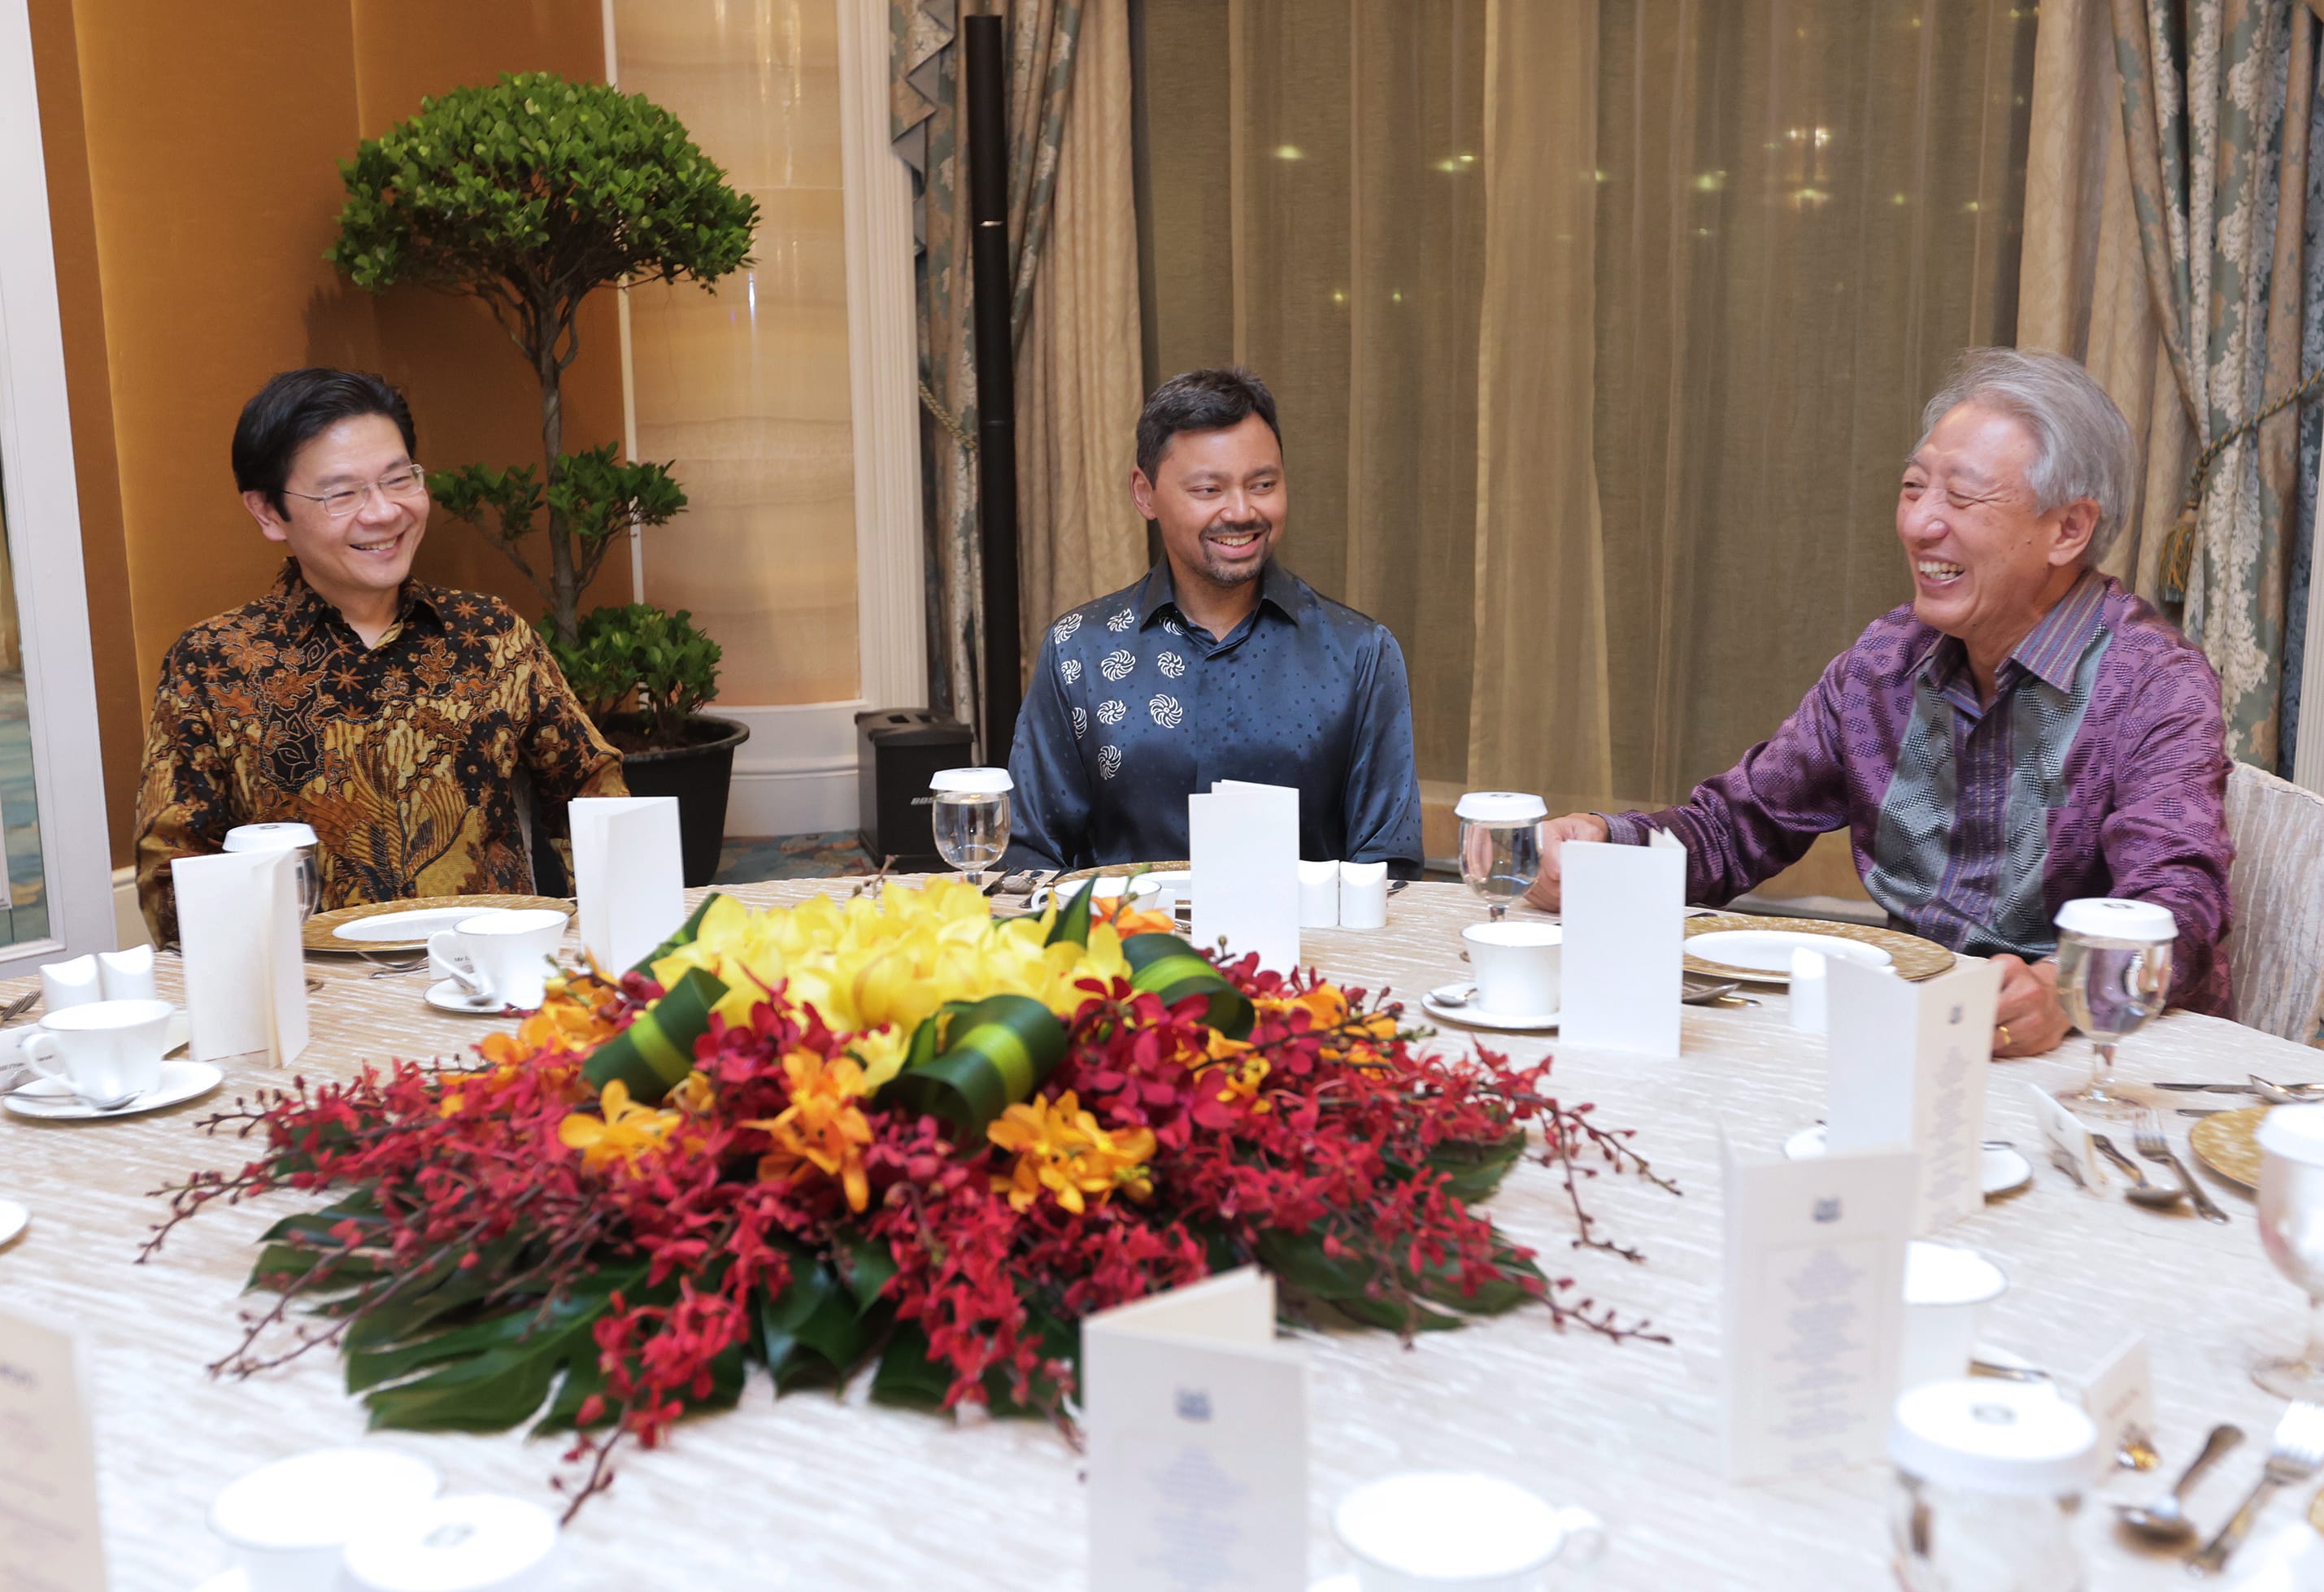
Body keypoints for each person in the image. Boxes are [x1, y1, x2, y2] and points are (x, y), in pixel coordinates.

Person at [1523, 346, 2232, 1053]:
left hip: (2095, 1061)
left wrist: (2064, 990)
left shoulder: (2153, 685)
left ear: (2069, 529)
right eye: (1913, 486)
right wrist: (1603, 848)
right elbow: (1738, 827)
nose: (1920, 524)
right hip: (1917, 1037)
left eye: (1961, 497)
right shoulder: (1889, 661)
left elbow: (2177, 906)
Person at [134, 368, 625, 945]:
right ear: (268, 512)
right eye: (342, 493)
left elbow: (593, 793)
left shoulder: (488, 635)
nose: (383, 512)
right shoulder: (216, 663)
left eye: (399, 479)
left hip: (490, 978)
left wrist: (604, 937)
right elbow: (174, 873)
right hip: (320, 1001)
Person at [1006, 367, 1424, 875]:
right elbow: (1031, 851)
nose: (1242, 511)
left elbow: (1389, 865)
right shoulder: (1078, 651)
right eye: (1209, 490)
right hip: (1125, 947)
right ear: (1145, 494)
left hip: (1307, 952)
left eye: (1263, 484)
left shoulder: (1359, 653)